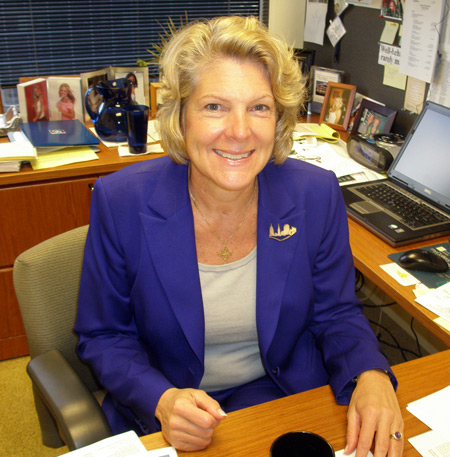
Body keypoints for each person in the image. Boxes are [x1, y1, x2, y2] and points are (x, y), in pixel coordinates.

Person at [74, 16, 403, 456]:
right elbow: (103, 336)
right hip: (170, 411)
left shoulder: (315, 193)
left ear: (279, 118)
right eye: (214, 107)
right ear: (181, 117)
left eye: (259, 107)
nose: (240, 131)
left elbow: (336, 313)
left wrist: (372, 373)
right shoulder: (121, 201)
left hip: (285, 401)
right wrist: (161, 399)